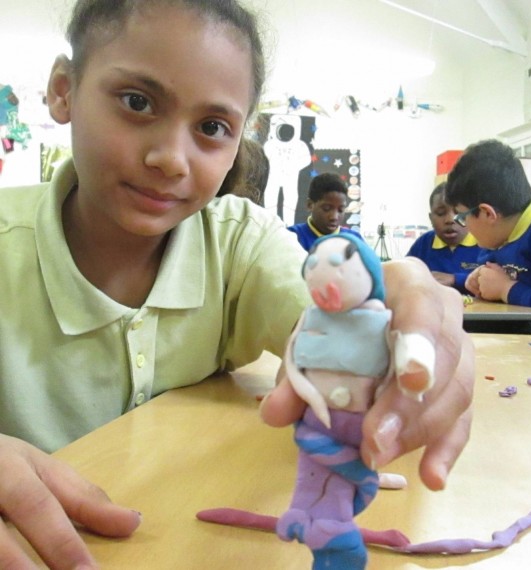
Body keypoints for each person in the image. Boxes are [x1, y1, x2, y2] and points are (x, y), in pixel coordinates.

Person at [0, 1, 474, 568]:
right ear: (63, 90)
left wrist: (391, 329)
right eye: (137, 102)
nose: (171, 159)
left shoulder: (239, 243)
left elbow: (329, 325)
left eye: (211, 128)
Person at [446, 139, 531, 334]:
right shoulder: (497, 238)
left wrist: (507, 289)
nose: (465, 227)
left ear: (488, 214)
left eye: (462, 217)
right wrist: (479, 280)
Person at [406, 182, 481, 293]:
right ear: (431, 219)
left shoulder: (484, 242)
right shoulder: (423, 244)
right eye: (441, 213)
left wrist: (455, 279)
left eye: (458, 212)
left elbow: (496, 282)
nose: (450, 220)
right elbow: (405, 277)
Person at [287, 172, 363, 251]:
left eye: (341, 210)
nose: (334, 217)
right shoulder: (291, 236)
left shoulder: (355, 240)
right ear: (310, 205)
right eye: (326, 208)